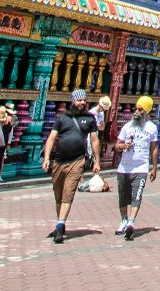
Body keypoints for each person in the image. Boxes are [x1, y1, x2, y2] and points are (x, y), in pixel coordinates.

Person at [42, 88, 101, 245]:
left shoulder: (89, 119)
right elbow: (51, 138)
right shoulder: (62, 118)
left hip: (77, 161)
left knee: (68, 193)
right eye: (79, 100)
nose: (82, 103)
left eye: (84, 100)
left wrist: (97, 161)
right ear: (73, 101)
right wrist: (46, 158)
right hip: (59, 161)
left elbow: (94, 140)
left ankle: (60, 225)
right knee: (59, 194)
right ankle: (60, 224)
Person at [113, 95, 160, 241]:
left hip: (141, 168)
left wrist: (154, 167)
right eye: (136, 109)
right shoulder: (127, 127)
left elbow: (154, 148)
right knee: (123, 197)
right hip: (124, 168)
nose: (137, 112)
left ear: (147, 111)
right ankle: (124, 220)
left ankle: (131, 222)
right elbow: (116, 145)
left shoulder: (151, 128)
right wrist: (123, 146)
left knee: (136, 196)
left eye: (140, 110)